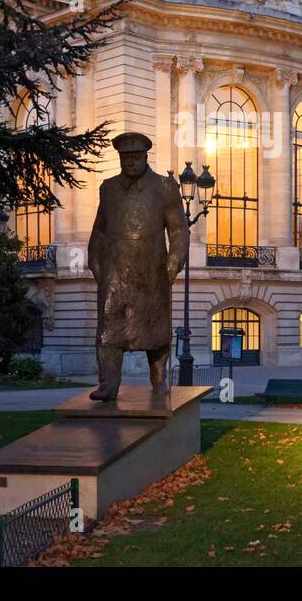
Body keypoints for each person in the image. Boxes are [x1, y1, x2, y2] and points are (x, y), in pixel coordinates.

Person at [86, 132, 189, 401]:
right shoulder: (108, 188)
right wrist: (94, 259)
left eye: (135, 157)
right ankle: (108, 384)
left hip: (151, 271)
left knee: (156, 330)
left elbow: (178, 229)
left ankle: (159, 378)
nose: (130, 163)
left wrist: (175, 259)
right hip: (115, 271)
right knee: (108, 329)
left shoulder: (165, 187)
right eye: (125, 158)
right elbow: (100, 229)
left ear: (145, 157)